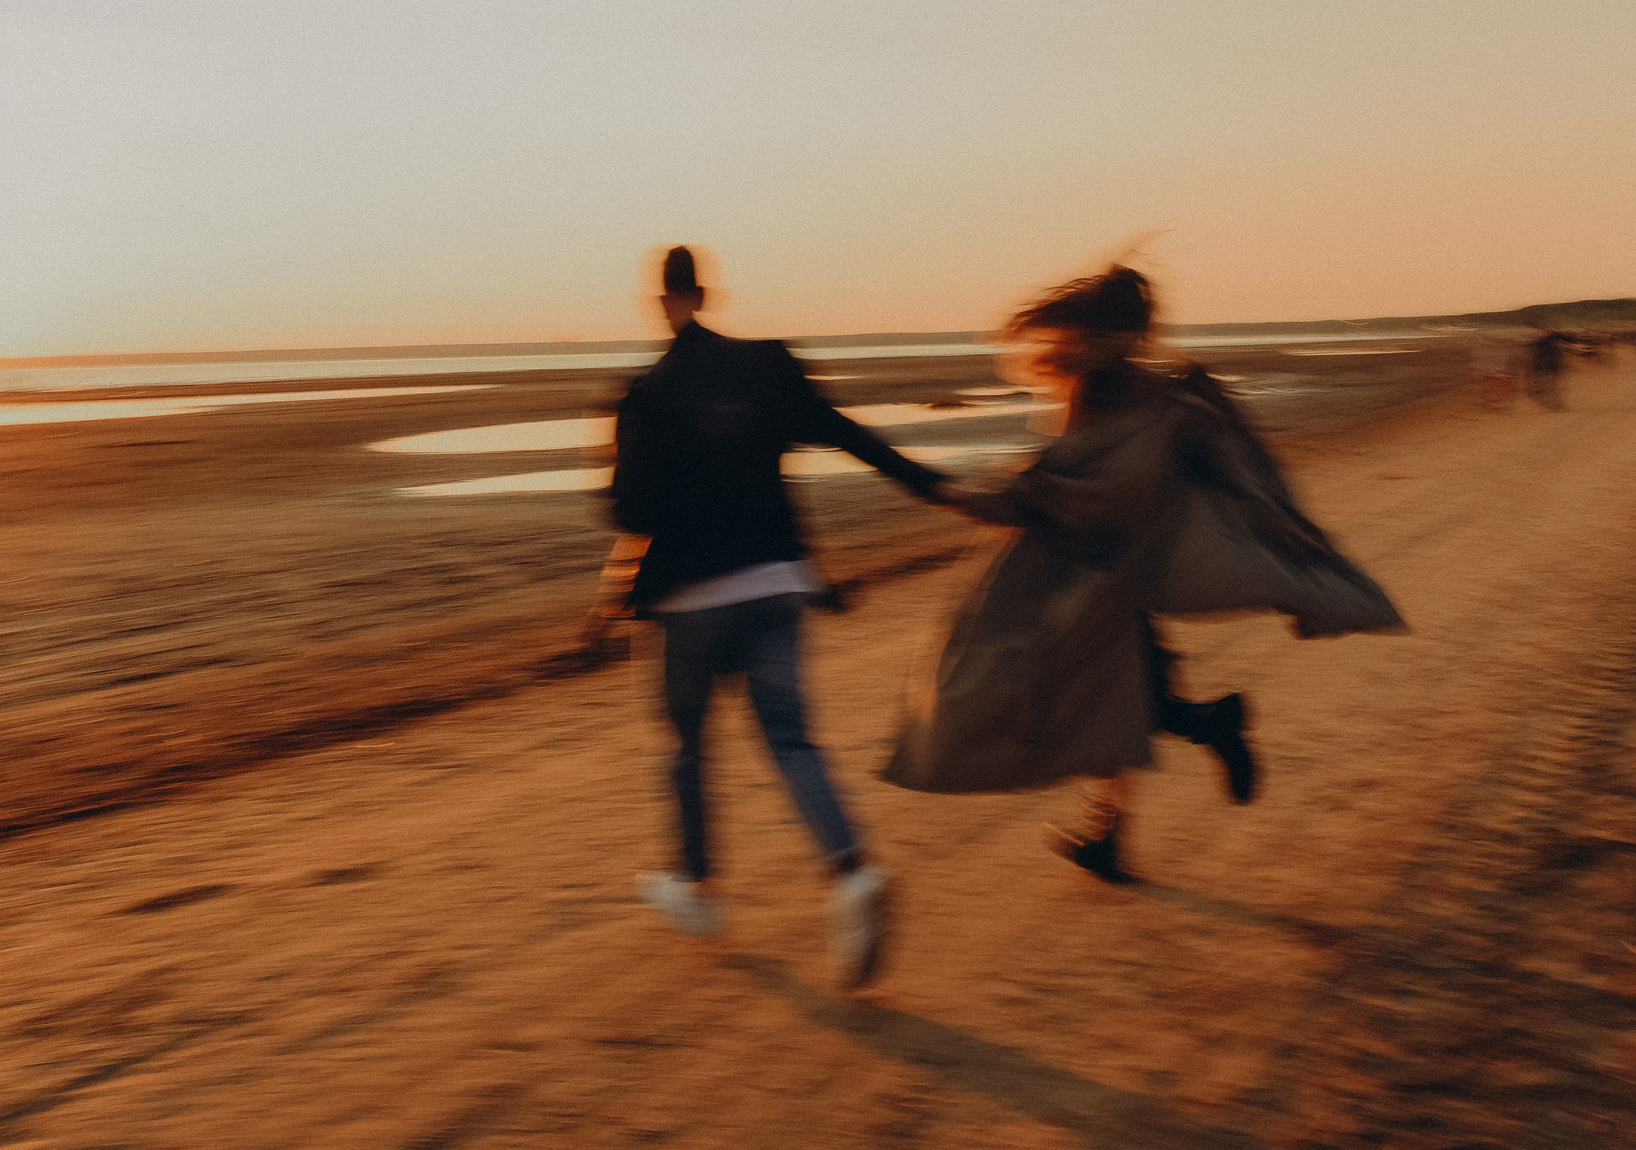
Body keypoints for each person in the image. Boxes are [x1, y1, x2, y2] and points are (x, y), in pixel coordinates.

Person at [881, 265, 1407, 884]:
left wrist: (944, 490)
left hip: (1089, 582)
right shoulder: (1156, 399)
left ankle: (1207, 728)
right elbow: (1231, 478)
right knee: (1114, 706)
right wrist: (1288, 535)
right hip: (1113, 573)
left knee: (1083, 701)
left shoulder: (1136, 401)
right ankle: (1118, 826)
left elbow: (1055, 490)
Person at [580, 246, 953, 988]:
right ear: (707, 293)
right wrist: (930, 485)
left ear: (661, 301)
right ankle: (852, 870)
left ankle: (698, 888)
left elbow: (635, 514)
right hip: (777, 585)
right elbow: (846, 434)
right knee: (790, 738)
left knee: (685, 745)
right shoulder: (769, 364)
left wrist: (607, 603)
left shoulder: (645, 394)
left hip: (688, 600)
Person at [1524, 328, 1566, 410]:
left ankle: (1554, 405)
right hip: (1549, 369)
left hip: (1544, 369)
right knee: (1552, 388)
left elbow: (1533, 358)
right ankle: (1555, 405)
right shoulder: (1553, 347)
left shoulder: (1541, 345)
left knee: (1547, 389)